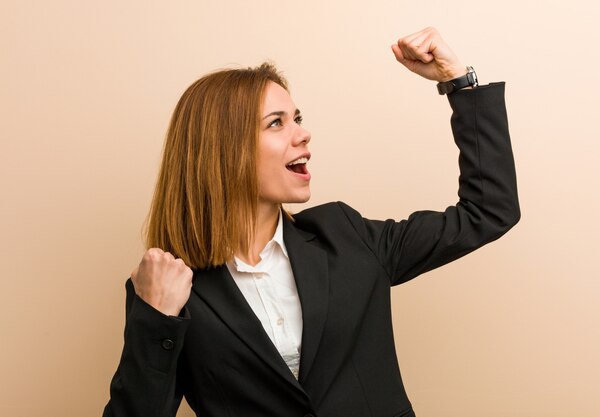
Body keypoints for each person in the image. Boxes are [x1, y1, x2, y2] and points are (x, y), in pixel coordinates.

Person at [103, 27, 520, 417]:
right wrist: (156, 318)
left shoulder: (345, 236)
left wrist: (458, 81)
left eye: (296, 118)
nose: (302, 134)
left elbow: (487, 211)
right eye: (277, 123)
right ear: (223, 149)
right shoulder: (168, 287)